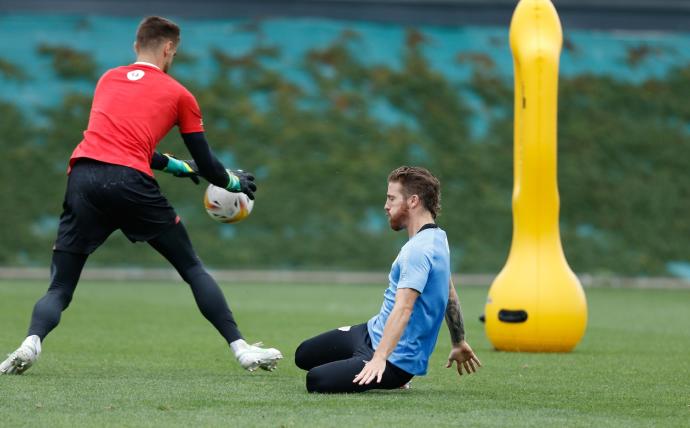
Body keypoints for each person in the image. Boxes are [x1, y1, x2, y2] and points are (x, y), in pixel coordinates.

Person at [0, 16, 282, 375]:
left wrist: (180, 168)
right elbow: (209, 164)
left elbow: (121, 145)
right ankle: (242, 350)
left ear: (136, 45)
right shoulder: (180, 94)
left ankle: (30, 342)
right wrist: (234, 183)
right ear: (168, 48)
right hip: (129, 183)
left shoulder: (107, 79)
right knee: (192, 267)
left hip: (84, 177)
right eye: (174, 53)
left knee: (60, 287)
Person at [295, 166, 481, 393]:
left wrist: (379, 358)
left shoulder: (418, 251)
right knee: (303, 354)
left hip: (395, 361)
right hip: (370, 333)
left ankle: (397, 379)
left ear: (413, 201)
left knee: (316, 381)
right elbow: (449, 292)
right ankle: (365, 358)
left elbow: (404, 308)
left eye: (391, 198)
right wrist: (458, 341)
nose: (386, 206)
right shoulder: (438, 238)